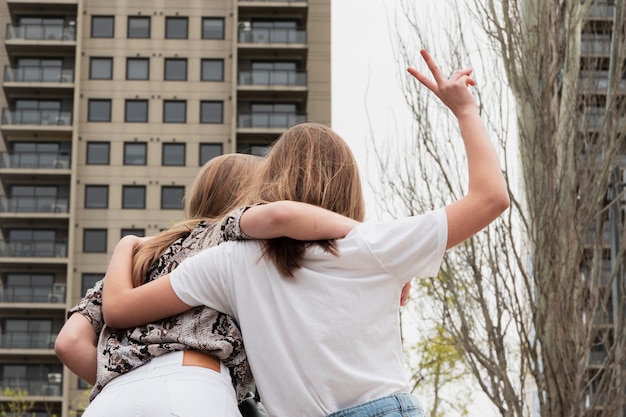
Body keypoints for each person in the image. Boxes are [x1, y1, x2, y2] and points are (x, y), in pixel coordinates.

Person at [101, 50, 510, 417]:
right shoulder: (372, 247)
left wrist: (126, 246)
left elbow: (118, 310)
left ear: (267, 182)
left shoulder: (230, 262)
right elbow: (491, 198)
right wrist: (465, 111)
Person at [56, 153, 358, 417]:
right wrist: (367, 241)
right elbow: (285, 219)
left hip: (110, 399)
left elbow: (69, 344)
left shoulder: (140, 256)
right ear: (244, 193)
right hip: (195, 390)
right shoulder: (239, 241)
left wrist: (128, 375)